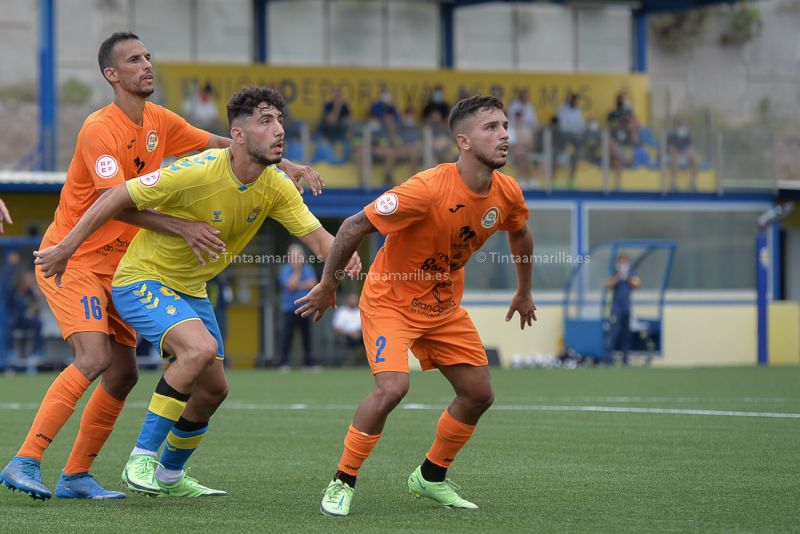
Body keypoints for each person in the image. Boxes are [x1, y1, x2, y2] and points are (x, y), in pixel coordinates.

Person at [0, 32, 323, 502]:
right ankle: (25, 460)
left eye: (148, 56)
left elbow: (223, 140)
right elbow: (116, 201)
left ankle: (76, 476)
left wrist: (286, 164)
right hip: (78, 259)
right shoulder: (99, 129)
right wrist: (182, 229)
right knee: (93, 359)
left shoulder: (158, 119)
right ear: (112, 75)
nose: (147, 65)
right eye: (134, 60)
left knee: (124, 375)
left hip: (123, 263)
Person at [296, 95, 537, 517]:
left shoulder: (507, 191)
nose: (504, 135)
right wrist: (328, 284)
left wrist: (523, 291)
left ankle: (430, 476)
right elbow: (354, 225)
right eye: (491, 128)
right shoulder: (426, 189)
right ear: (463, 140)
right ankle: (343, 480)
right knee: (392, 387)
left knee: (478, 394)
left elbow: (520, 234)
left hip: (443, 307)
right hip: (391, 299)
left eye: (504, 126)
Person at [278, 244, 318, 371]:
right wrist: (297, 271)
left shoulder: (308, 268)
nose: (298, 259)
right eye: (295, 256)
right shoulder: (285, 270)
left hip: (306, 308)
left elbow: (313, 283)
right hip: (290, 308)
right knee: (287, 337)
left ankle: (308, 363)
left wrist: (298, 285)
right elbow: (291, 285)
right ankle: (283, 363)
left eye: (299, 256)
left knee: (306, 337)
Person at [605, 254, 640, 366]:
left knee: (626, 335)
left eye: (625, 263)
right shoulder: (614, 273)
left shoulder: (631, 274)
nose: (623, 265)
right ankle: (610, 359)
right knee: (614, 333)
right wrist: (619, 276)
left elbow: (637, 285)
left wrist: (627, 276)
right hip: (616, 309)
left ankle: (625, 360)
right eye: (621, 263)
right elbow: (607, 285)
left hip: (627, 308)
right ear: (618, 264)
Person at [667, 119, 699, 190]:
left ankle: (693, 182)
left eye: (685, 127)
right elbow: (672, 150)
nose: (684, 129)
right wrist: (680, 156)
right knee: (675, 159)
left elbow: (691, 149)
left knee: (695, 159)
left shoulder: (687, 137)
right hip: (669, 156)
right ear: (678, 127)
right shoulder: (671, 137)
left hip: (682, 156)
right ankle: (674, 183)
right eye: (682, 127)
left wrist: (690, 155)